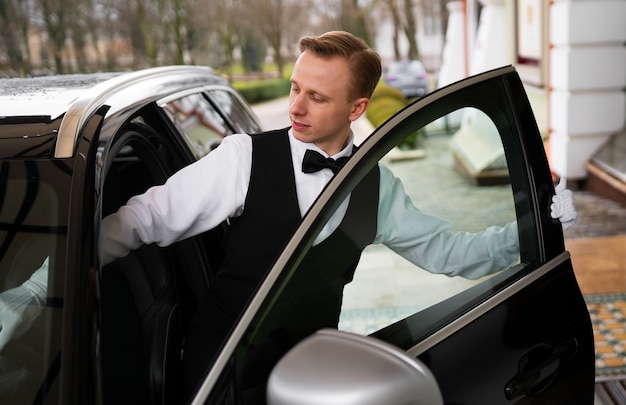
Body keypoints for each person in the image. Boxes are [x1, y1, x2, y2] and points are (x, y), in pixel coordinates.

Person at [1, 31, 577, 398]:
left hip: (312, 373)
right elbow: (137, 222)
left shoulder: (381, 188)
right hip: (218, 367)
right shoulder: (241, 159)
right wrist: (31, 294)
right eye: (295, 88)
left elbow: (451, 253)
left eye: (316, 97)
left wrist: (539, 224)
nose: (295, 107)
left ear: (356, 108)